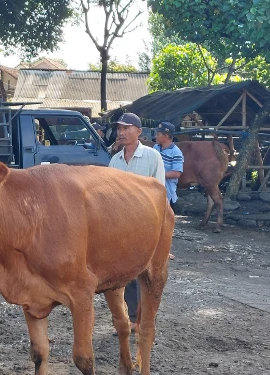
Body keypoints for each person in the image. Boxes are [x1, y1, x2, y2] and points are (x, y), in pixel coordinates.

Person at [108, 113, 165, 333]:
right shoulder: (115, 160)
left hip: (146, 224)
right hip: (120, 227)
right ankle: (132, 318)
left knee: (148, 274)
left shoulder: (152, 157)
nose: (121, 132)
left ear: (139, 132)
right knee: (125, 274)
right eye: (119, 129)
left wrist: (160, 231)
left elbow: (160, 195)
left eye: (126, 128)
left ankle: (145, 319)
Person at [153, 122, 184, 211]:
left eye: (158, 134)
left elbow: (176, 173)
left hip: (167, 192)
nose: (156, 136)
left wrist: (158, 174)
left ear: (166, 136)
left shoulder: (176, 152)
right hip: (154, 189)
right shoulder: (155, 148)